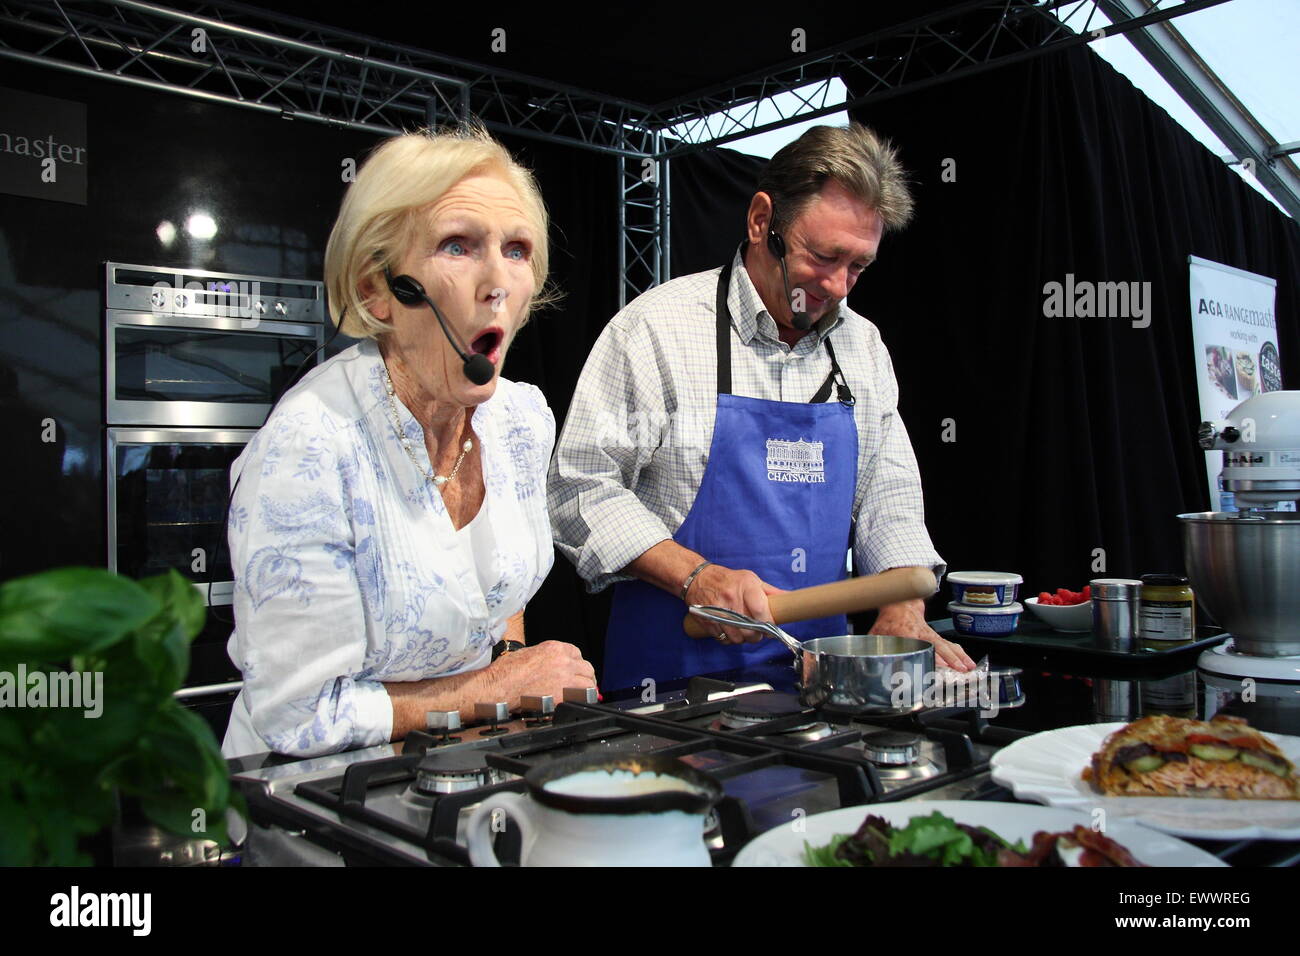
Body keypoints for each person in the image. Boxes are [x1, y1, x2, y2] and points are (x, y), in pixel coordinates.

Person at [548, 122, 974, 690]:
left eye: (859, 267)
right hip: (670, 689)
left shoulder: (863, 347)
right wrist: (696, 576)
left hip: (818, 686)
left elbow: (888, 495)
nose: (840, 286)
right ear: (760, 221)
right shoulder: (657, 329)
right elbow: (581, 487)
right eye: (824, 257)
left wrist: (902, 606)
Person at [222, 126, 595, 759]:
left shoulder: (521, 419)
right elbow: (299, 717)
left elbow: (498, 593)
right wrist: (499, 685)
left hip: (460, 772)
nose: (497, 281)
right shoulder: (309, 447)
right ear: (377, 290)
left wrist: (505, 667)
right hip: (310, 807)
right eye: (458, 245)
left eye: (516, 249)